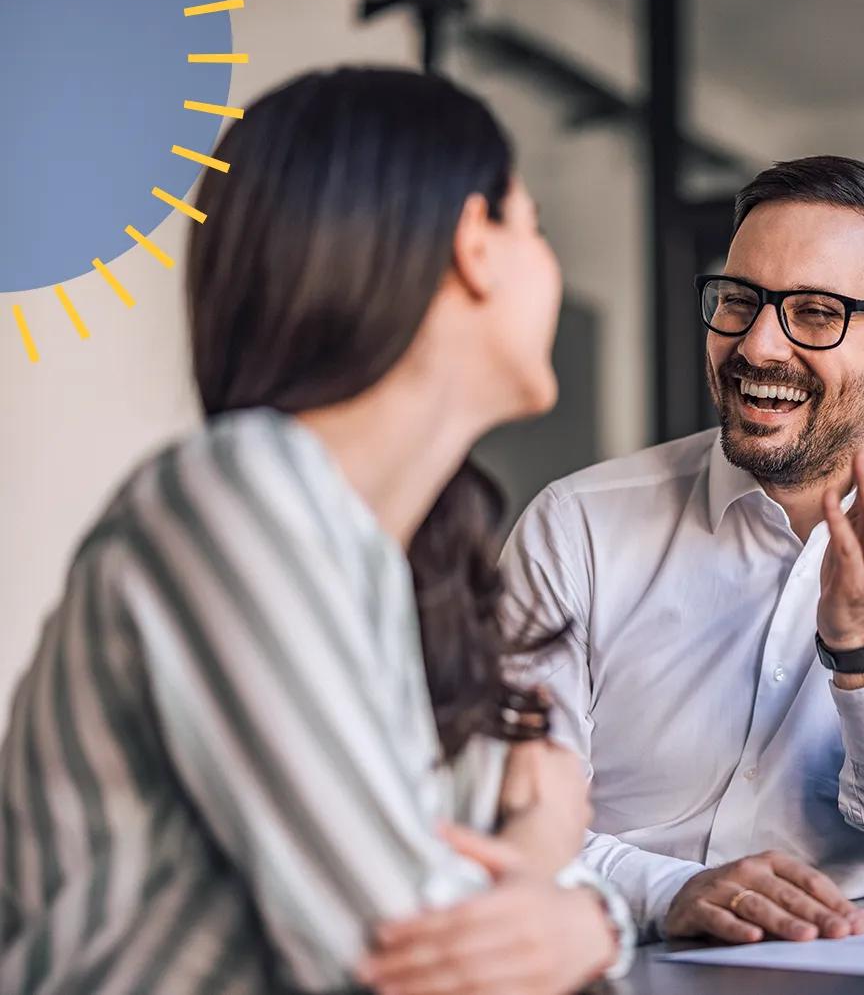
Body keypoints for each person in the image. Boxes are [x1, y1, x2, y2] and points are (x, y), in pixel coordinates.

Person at [0, 68, 631, 993]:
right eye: (531, 226)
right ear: (474, 245)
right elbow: (410, 952)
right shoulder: (231, 494)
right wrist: (563, 876)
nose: (551, 265)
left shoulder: (401, 568)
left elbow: (503, 916)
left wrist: (581, 909)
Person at [500, 155, 864, 943]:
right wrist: (668, 893)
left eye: (817, 312)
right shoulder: (575, 526)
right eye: (739, 300)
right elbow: (504, 818)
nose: (757, 345)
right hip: (605, 963)